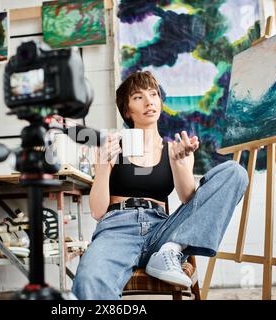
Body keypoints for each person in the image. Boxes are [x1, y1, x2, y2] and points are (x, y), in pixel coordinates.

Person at [72, 71, 249, 300]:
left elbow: (188, 200)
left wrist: (178, 164)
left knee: (234, 172)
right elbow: (97, 211)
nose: (148, 101)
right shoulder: (113, 146)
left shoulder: (174, 149)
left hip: (163, 232)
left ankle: (172, 251)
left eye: (153, 94)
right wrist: (103, 165)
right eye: (138, 97)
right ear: (127, 110)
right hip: (117, 230)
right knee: (88, 281)